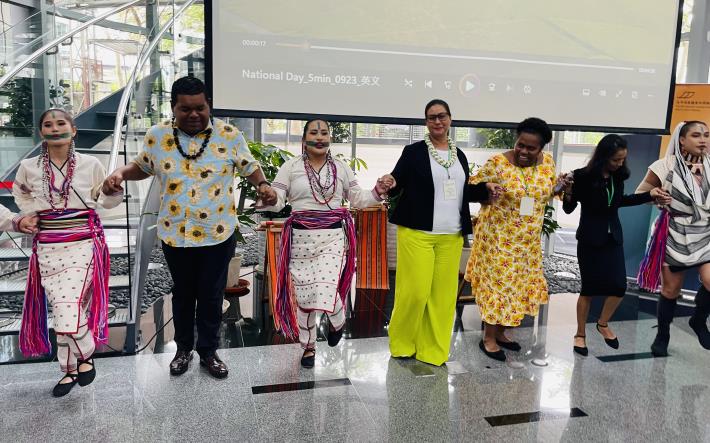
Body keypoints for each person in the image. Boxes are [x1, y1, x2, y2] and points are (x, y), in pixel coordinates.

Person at [103, 76, 277, 378]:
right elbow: (143, 167)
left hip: (217, 234)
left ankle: (209, 352)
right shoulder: (158, 136)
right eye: (185, 109)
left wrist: (263, 185)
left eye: (200, 108)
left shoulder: (228, 135)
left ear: (208, 105)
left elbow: (250, 167)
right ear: (173, 108)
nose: (194, 114)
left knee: (211, 296)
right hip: (175, 234)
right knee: (183, 295)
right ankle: (183, 349)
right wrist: (120, 172)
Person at [262, 119, 391, 368]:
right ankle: (308, 347)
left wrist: (378, 190)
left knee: (326, 288)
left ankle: (338, 321)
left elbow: (359, 199)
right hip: (300, 240)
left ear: (330, 138)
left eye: (324, 133)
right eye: (314, 132)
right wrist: (268, 196)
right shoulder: (290, 167)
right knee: (305, 298)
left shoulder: (341, 168)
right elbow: (276, 202)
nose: (320, 137)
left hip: (333, 238)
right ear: (304, 139)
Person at [13, 108, 123, 397]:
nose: (54, 128)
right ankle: (69, 369)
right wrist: (28, 214)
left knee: (66, 305)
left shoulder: (91, 165)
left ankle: (85, 357)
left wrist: (113, 190)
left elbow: (106, 201)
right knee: (66, 308)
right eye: (48, 124)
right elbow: (20, 193)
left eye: (61, 123)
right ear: (41, 133)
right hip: (47, 246)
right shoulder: (28, 166)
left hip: (84, 243)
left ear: (73, 130)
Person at [383, 99, 500, 367]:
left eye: (442, 116)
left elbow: (460, 191)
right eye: (432, 117)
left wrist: (485, 189)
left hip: (451, 235)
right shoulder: (413, 152)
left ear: (450, 119)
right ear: (426, 122)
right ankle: (402, 343)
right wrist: (389, 181)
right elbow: (397, 178)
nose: (437, 121)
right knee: (414, 292)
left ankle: (433, 350)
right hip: (417, 232)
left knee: (443, 297)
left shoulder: (459, 155)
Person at [465, 117, 568, 361]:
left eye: (531, 148)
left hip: (528, 241)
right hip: (497, 238)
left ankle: (500, 333)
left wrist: (559, 187)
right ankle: (488, 338)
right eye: (520, 144)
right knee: (499, 286)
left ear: (541, 148)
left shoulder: (547, 164)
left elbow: (543, 192)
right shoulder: (498, 164)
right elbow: (472, 189)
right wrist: (487, 190)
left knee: (517, 286)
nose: (523, 151)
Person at [562, 134, 671, 356]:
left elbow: (619, 201)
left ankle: (602, 324)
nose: (620, 164)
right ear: (603, 157)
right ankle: (580, 334)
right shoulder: (581, 176)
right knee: (589, 289)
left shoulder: (617, 176)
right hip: (590, 240)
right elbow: (568, 209)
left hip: (613, 239)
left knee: (619, 287)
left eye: (622, 159)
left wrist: (648, 195)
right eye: (615, 160)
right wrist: (568, 191)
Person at [635, 121, 710, 356]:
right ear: (681, 139)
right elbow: (640, 194)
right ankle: (662, 334)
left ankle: (698, 320)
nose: (703, 140)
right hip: (676, 231)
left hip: (706, 231)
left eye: (706, 135)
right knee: (670, 291)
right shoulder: (664, 165)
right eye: (696, 135)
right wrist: (656, 196)